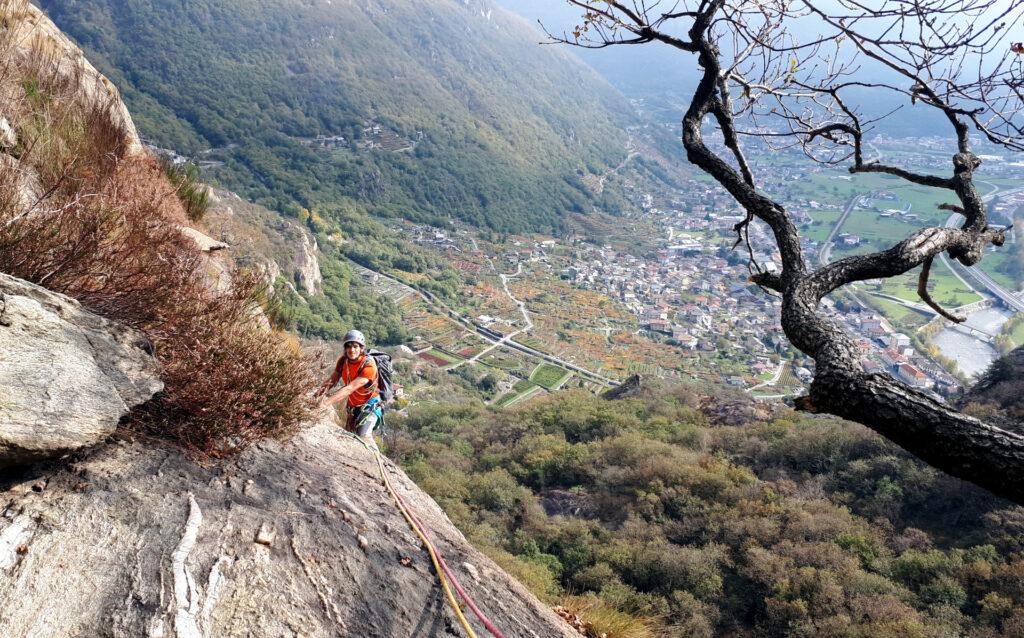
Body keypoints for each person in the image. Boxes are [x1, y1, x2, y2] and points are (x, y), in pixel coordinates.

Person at [316, 329, 382, 446]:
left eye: (355, 346)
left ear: (362, 348)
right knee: (349, 436)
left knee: (364, 436)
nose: (352, 350)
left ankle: (376, 462)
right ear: (345, 348)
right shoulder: (343, 361)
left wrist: (324, 404)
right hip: (352, 407)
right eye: (349, 346)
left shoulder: (369, 366)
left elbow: (350, 388)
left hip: (369, 407)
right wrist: (316, 395)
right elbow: (333, 380)